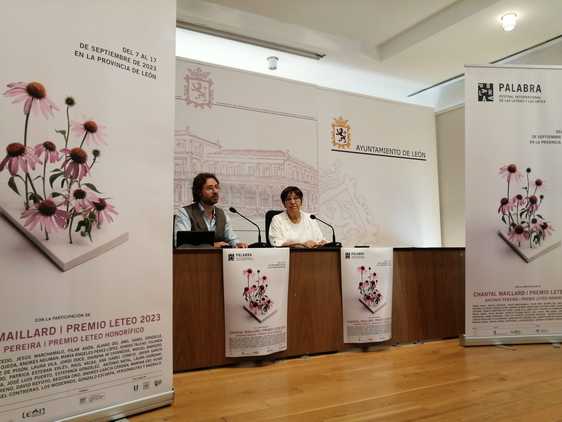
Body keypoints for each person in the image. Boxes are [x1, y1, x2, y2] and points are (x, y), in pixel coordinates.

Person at [174, 173, 247, 248]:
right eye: (210, 188)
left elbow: (231, 238)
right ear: (199, 192)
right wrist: (212, 245)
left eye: (216, 187)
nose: (215, 191)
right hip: (194, 259)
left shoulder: (222, 214)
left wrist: (237, 244)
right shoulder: (185, 212)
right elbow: (180, 244)